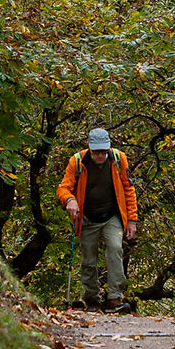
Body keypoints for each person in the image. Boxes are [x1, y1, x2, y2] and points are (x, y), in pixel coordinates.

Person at [57, 127, 138, 311]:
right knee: (89, 259)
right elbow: (63, 188)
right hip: (87, 217)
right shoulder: (77, 161)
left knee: (115, 248)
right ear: (89, 147)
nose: (100, 155)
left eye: (103, 151)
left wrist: (132, 220)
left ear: (108, 147)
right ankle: (92, 299)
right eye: (96, 151)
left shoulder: (119, 159)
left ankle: (115, 298)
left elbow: (129, 189)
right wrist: (70, 200)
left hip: (112, 216)